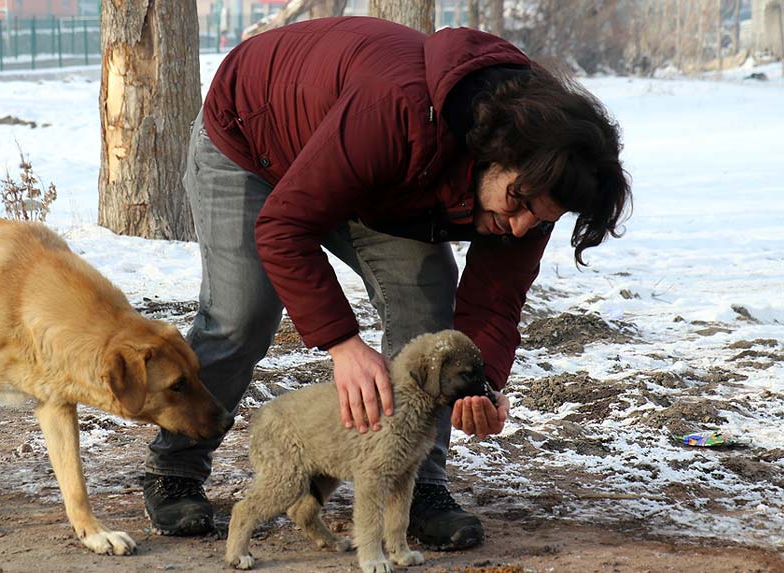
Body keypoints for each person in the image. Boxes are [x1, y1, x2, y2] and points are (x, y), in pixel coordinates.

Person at [141, 16, 631, 550]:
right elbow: (284, 227)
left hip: (377, 181)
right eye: (516, 203)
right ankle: (176, 468)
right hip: (253, 141)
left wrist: (483, 383)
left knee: (426, 302)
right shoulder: (399, 110)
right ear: (497, 151)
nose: (519, 227)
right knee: (244, 313)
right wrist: (343, 344)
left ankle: (418, 484)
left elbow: (494, 299)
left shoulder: (544, 174)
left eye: (540, 219)